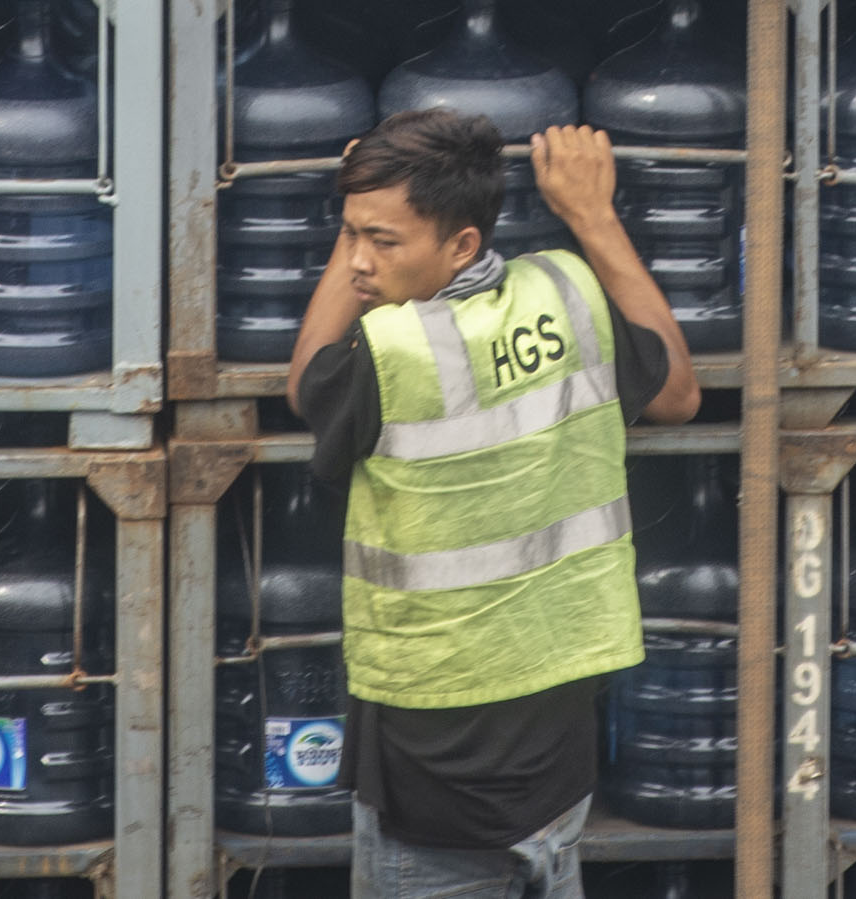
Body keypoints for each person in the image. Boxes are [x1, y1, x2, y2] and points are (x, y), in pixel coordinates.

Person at [288, 104, 702, 899]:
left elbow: (306, 376)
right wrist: (592, 215)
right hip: (556, 768)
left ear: (463, 244)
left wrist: (349, 233)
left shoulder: (386, 355)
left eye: (383, 240)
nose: (361, 263)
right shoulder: (568, 291)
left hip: (434, 786)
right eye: (356, 236)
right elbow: (679, 391)